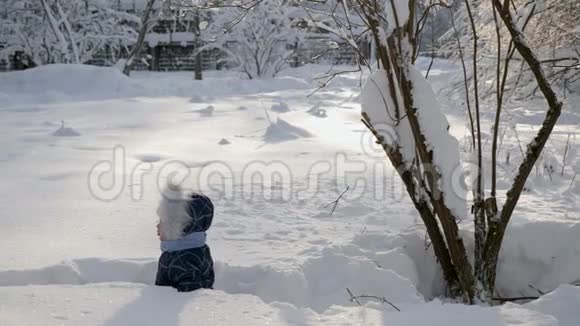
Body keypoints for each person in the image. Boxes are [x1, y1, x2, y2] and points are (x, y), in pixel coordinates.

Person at [155, 184, 215, 292]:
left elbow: (189, 297)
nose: (157, 226)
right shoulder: (194, 249)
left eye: (162, 221)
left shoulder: (185, 260)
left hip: (166, 308)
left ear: (178, 227)